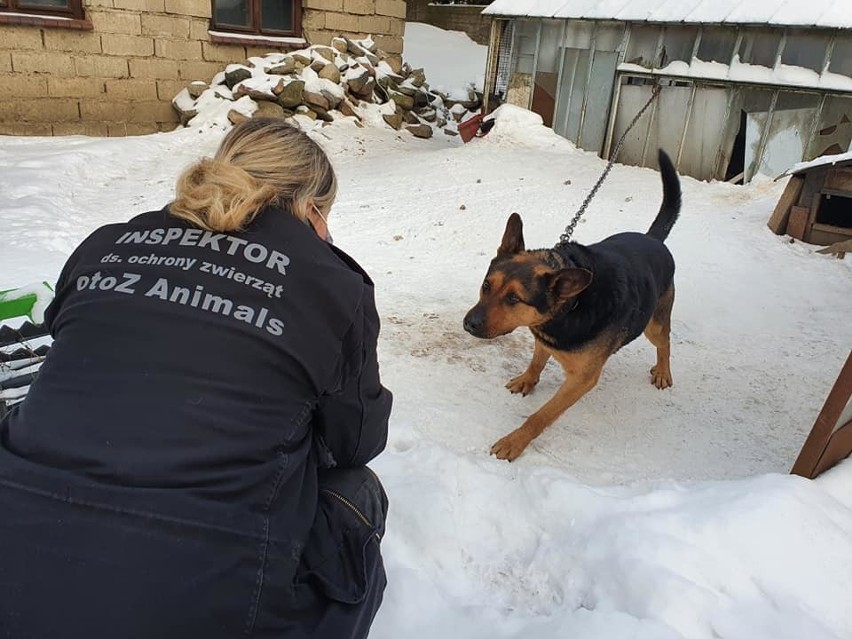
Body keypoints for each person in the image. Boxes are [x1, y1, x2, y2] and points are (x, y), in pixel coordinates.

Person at [0, 117, 392, 639]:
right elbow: (356, 442)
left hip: (15, 564)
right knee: (358, 492)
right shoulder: (332, 284)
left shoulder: (105, 245)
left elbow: (70, 340)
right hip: (214, 600)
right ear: (311, 209)